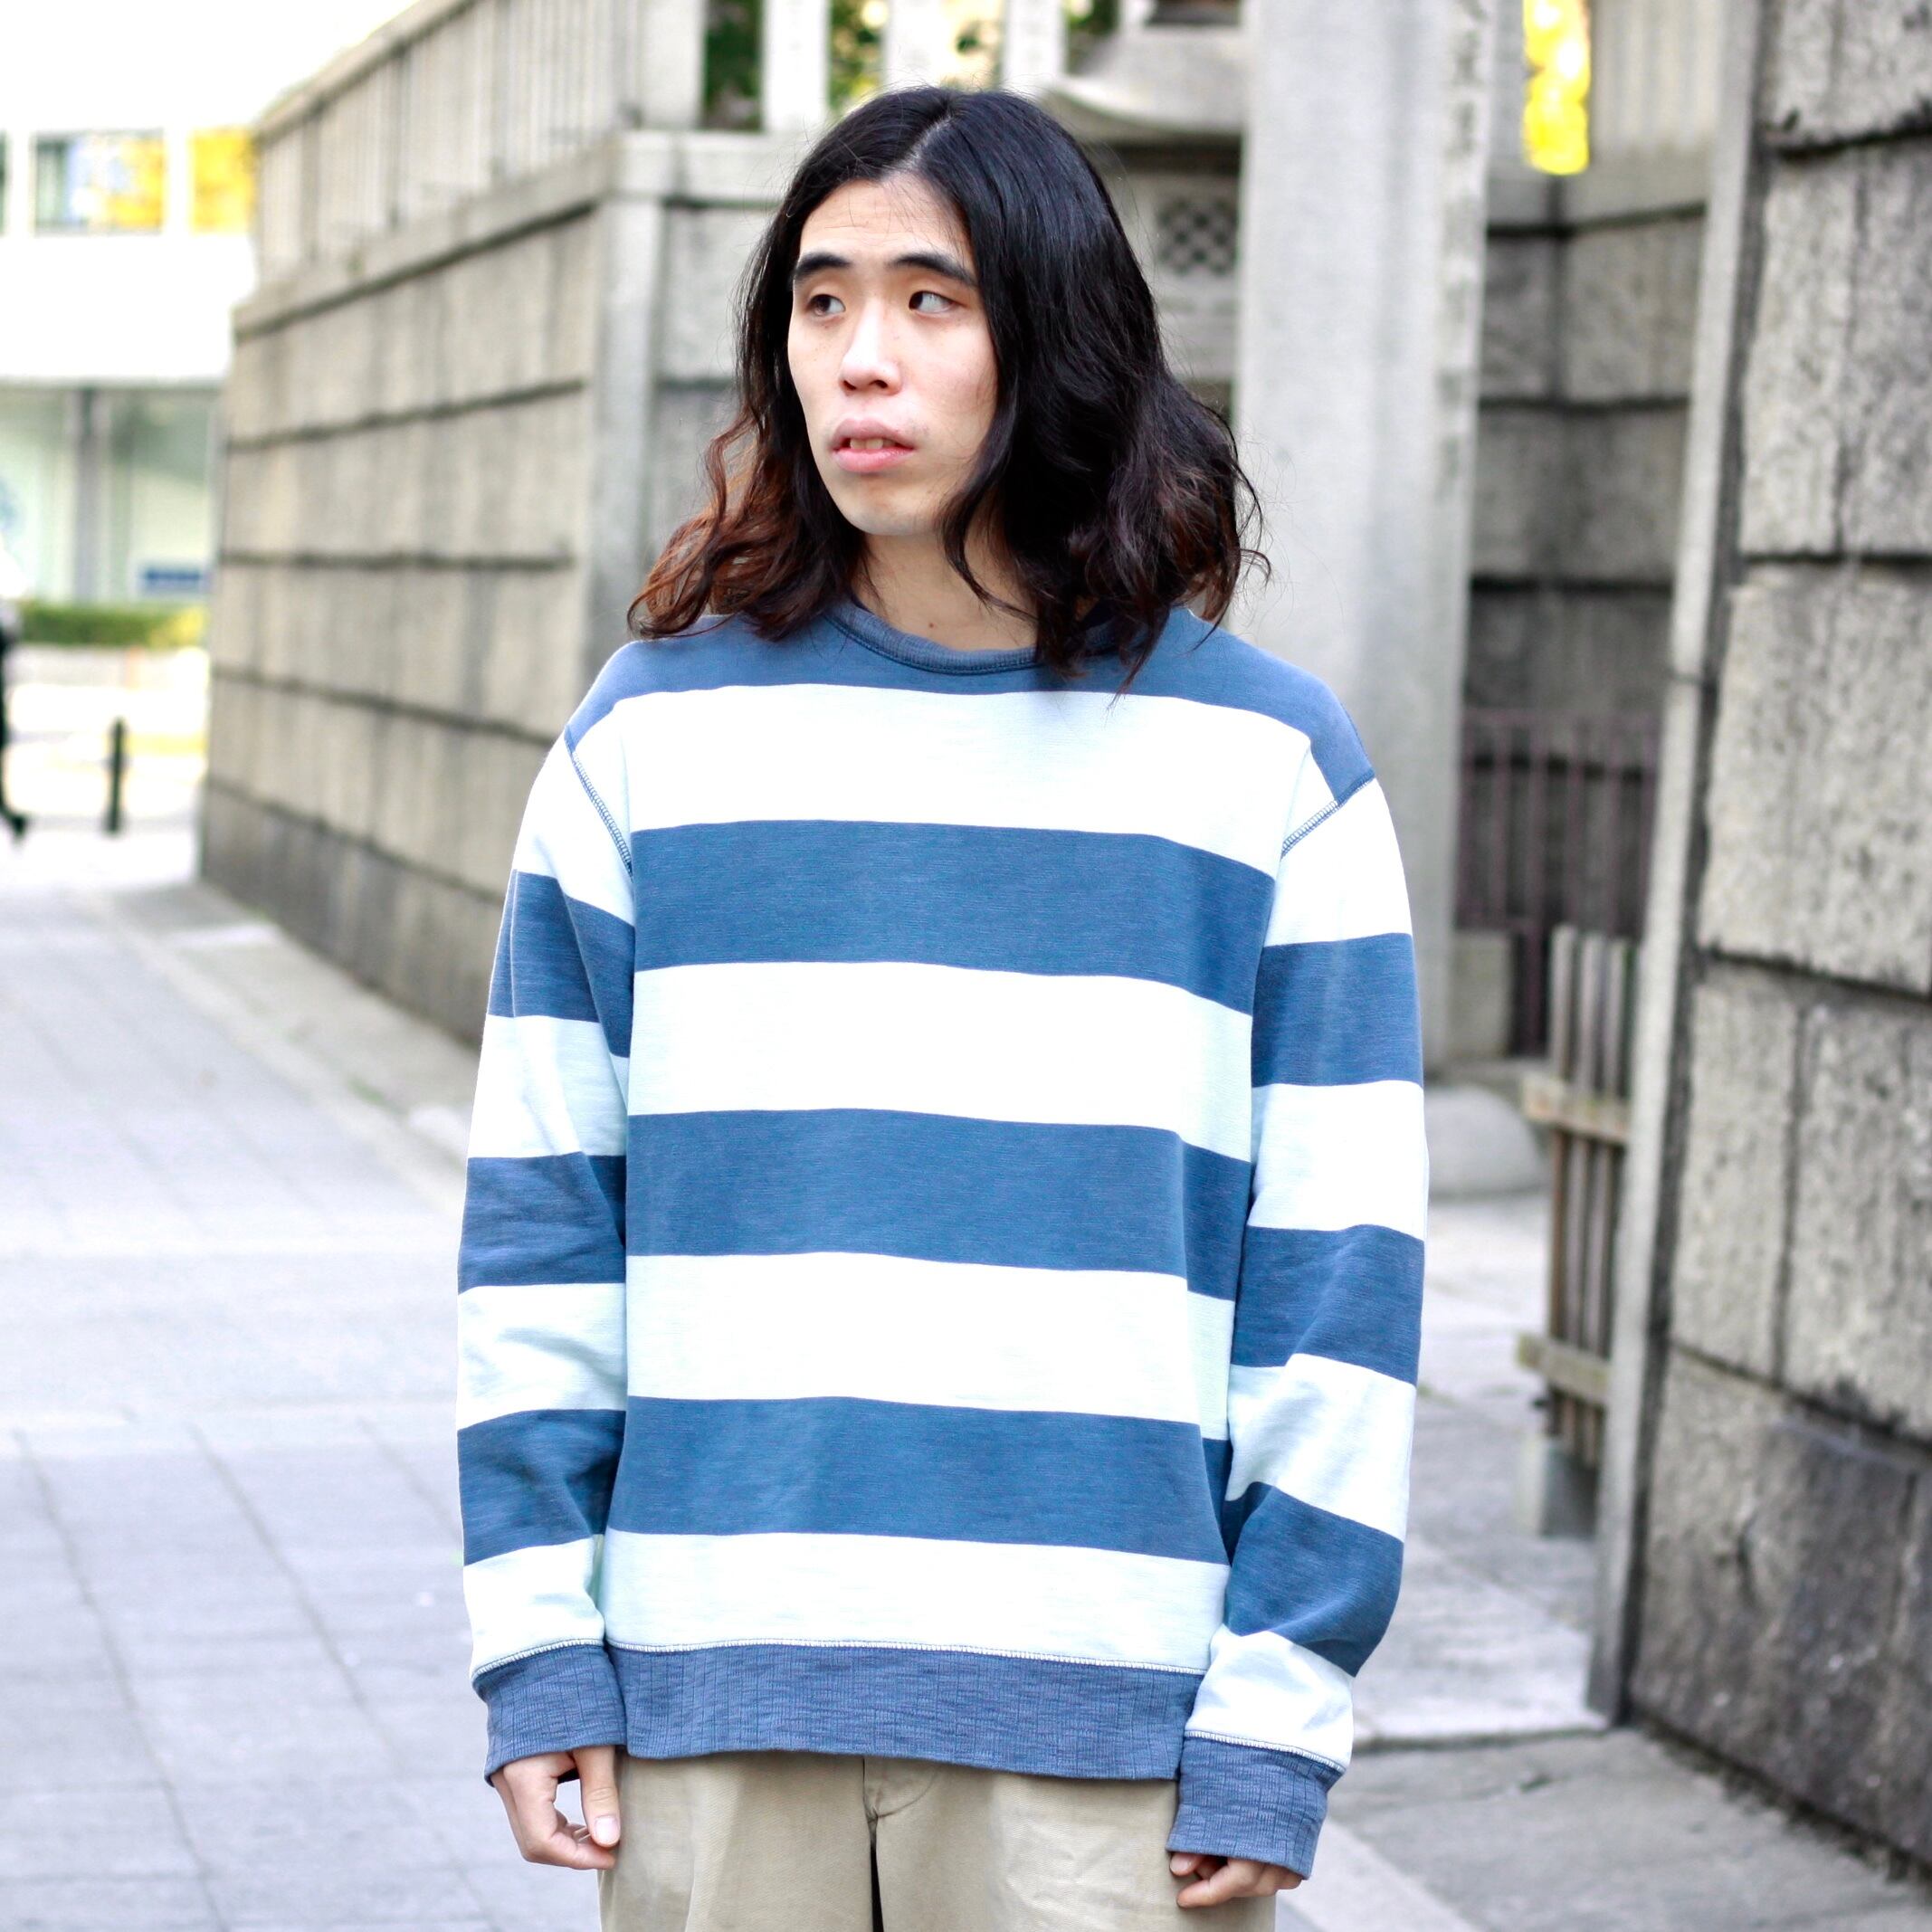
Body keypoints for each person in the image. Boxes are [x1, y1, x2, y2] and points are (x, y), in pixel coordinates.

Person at [455, 81, 1428, 1931]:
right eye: (820, 301)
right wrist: (535, 1642)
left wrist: (1282, 1703)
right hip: (713, 1706)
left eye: (931, 299)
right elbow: (543, 1227)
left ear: (1052, 337)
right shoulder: (649, 743)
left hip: (1112, 1735)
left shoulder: (1266, 768)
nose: (861, 358)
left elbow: (1336, 1284)